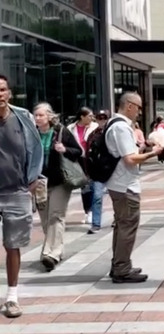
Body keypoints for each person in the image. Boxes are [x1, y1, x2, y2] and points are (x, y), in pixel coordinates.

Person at [105, 92, 164, 283]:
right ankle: (122, 268)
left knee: (122, 225)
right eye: (138, 107)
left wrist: (144, 148)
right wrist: (153, 153)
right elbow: (130, 159)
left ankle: (119, 264)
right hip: (125, 185)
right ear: (129, 105)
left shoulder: (114, 124)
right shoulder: (121, 127)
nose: (139, 112)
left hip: (118, 183)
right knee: (127, 226)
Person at [0, 75, 43, 318]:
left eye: (3, 89)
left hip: (16, 191)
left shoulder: (23, 118)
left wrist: (34, 177)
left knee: (12, 244)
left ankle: (12, 298)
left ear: (9, 93)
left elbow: (36, 148)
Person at [34, 102, 82, 272]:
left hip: (60, 180)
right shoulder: (32, 134)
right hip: (39, 182)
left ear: (49, 116)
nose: (38, 118)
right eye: (36, 115)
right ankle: (57, 250)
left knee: (56, 216)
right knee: (46, 219)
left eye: (41, 115)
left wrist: (64, 149)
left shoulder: (61, 131)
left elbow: (78, 151)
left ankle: (50, 253)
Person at [68, 107, 99, 225]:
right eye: (89, 116)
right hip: (78, 160)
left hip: (92, 160)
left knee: (94, 186)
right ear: (82, 116)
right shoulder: (71, 128)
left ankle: (93, 211)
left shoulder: (95, 127)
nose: (92, 118)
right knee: (85, 187)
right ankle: (88, 211)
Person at [86, 110, 110, 234]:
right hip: (98, 172)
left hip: (112, 171)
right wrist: (88, 172)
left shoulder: (112, 132)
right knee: (97, 197)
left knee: (118, 197)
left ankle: (118, 219)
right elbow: (87, 153)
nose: (102, 120)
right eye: (99, 118)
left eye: (104, 117)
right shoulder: (93, 135)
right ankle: (96, 223)